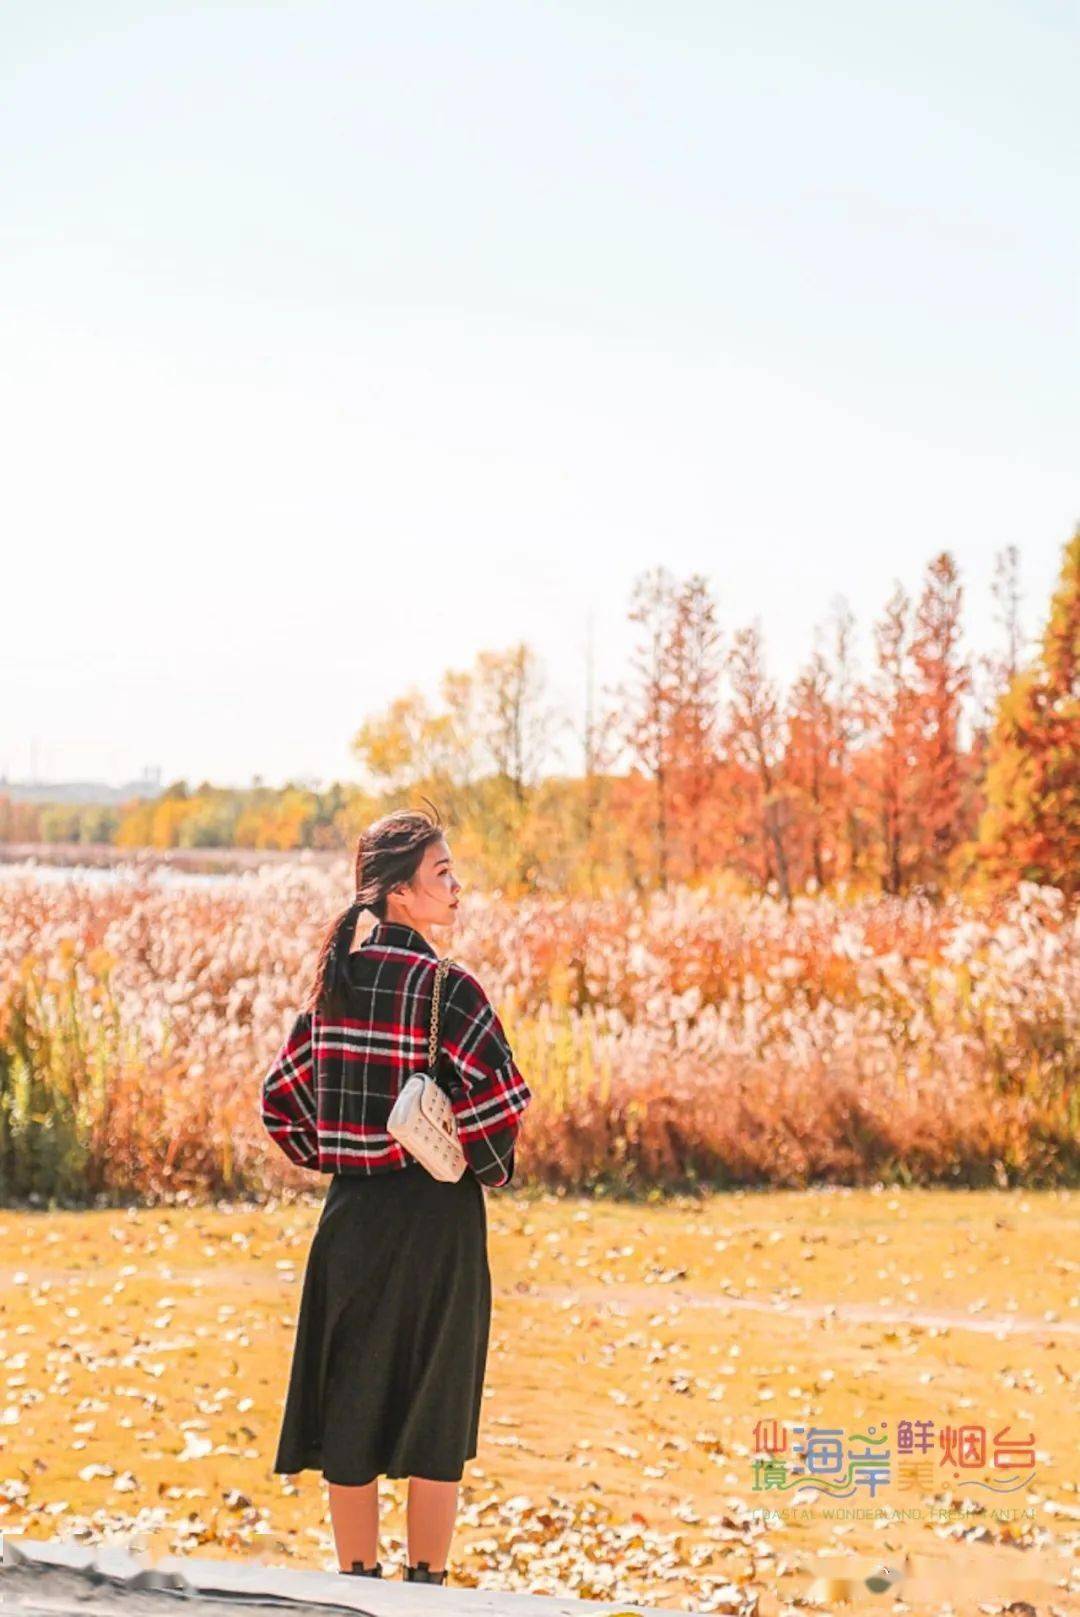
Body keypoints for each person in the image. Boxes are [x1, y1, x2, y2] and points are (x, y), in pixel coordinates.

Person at [259, 805, 533, 1585]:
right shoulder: (449, 989)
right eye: (442, 874)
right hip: (437, 1224)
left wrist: (345, 1151)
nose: (457, 888)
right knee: (432, 1411)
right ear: (400, 894)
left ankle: (355, 1583)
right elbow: (503, 1099)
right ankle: (426, 1591)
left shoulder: (333, 988)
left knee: (352, 1409)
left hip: (353, 1221)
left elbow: (281, 1101)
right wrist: (466, 1153)